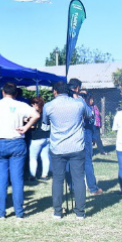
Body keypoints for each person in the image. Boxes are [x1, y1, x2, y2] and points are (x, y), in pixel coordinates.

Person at [0, 83, 40, 219]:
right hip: (17, 142)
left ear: (2, 92)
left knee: (1, 179)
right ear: (15, 94)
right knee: (17, 179)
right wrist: (26, 128)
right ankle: (19, 212)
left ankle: (1, 212)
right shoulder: (21, 105)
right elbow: (36, 115)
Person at [43, 81, 90, 219]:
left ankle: (58, 212)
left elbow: (45, 126)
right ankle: (80, 212)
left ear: (54, 92)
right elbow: (90, 115)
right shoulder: (79, 103)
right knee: (78, 179)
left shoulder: (49, 106)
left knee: (58, 179)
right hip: (76, 146)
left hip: (58, 148)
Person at [69, 79, 102, 195]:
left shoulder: (67, 101)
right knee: (84, 161)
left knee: (81, 161)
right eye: (81, 94)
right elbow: (89, 116)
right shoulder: (81, 103)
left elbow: (92, 121)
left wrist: (93, 136)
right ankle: (89, 187)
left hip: (81, 133)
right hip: (82, 133)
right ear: (77, 89)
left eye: (85, 95)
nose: (83, 96)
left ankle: (88, 187)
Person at [28, 96, 52, 181]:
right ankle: (44, 175)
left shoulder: (35, 114)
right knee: (45, 157)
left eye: (33, 104)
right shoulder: (46, 112)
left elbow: (32, 126)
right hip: (46, 137)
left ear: (35, 104)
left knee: (33, 157)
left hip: (36, 138)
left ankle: (32, 175)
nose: (31, 105)